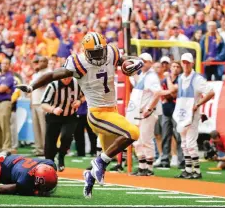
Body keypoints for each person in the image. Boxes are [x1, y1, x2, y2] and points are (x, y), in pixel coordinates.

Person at [16, 32, 144, 198]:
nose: (99, 55)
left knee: (109, 153)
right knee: (132, 133)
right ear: (85, 51)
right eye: (94, 52)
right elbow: (54, 74)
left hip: (112, 111)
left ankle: (90, 175)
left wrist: (136, 60)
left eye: (100, 51)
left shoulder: (111, 51)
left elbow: (124, 59)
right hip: (98, 114)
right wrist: (32, 86)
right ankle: (98, 162)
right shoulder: (79, 62)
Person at [173, 53, 215, 179]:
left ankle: (196, 171)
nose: (185, 64)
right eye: (183, 62)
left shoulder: (197, 78)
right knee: (184, 143)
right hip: (182, 114)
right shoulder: (180, 78)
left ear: (192, 64)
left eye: (187, 62)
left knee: (190, 143)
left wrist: (198, 104)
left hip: (192, 114)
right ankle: (188, 169)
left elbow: (211, 92)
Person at [127, 53, 162, 176]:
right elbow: (131, 75)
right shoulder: (142, 75)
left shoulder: (151, 76)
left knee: (146, 139)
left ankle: (149, 168)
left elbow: (158, 93)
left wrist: (150, 108)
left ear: (150, 63)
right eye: (141, 61)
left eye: (145, 61)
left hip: (146, 113)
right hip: (137, 112)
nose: (143, 63)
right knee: (138, 140)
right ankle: (142, 167)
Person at [41, 76, 83, 172]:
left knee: (67, 136)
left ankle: (61, 156)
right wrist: (53, 109)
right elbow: (43, 103)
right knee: (50, 142)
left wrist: (80, 101)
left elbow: (85, 95)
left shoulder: (77, 83)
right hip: (53, 116)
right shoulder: (53, 85)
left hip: (70, 116)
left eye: (69, 78)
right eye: (64, 78)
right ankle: (49, 163)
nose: (67, 80)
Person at [154, 61, 184, 169]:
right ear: (170, 68)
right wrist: (169, 94)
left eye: (177, 66)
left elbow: (173, 91)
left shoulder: (181, 79)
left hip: (177, 111)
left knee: (178, 136)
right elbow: (160, 93)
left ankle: (181, 160)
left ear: (180, 69)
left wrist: (167, 81)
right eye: (174, 66)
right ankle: (164, 159)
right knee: (165, 136)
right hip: (166, 111)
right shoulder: (163, 81)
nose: (175, 68)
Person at [30, 55, 51, 156]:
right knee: (36, 127)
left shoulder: (48, 72)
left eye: (43, 61)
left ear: (47, 63)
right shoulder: (36, 74)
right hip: (34, 102)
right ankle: (39, 149)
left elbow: (41, 84)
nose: (40, 63)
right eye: (39, 61)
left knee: (44, 128)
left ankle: (46, 148)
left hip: (43, 103)